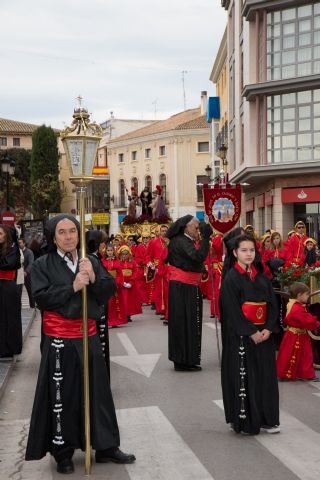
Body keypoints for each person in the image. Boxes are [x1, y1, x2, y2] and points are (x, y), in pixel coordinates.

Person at [25, 214, 135, 474]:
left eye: (72, 231)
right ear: (54, 237)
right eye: (62, 232)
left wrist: (94, 280)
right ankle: (63, 452)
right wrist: (73, 287)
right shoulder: (43, 265)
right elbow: (41, 297)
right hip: (60, 341)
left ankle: (106, 446)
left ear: (78, 234)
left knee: (98, 393)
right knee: (64, 395)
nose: (68, 236)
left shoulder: (90, 261)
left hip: (88, 337)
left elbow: (109, 288)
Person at [220, 234, 280, 435]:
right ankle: (246, 422)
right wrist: (251, 331)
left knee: (265, 377)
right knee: (247, 378)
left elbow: (273, 305)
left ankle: (268, 419)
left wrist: (268, 328)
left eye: (252, 250)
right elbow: (231, 310)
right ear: (235, 253)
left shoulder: (262, 277)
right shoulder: (231, 278)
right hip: (242, 336)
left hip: (264, 335)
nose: (248, 254)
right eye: (244, 250)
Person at [166, 215, 212, 371]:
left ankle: (187, 359)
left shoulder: (184, 240)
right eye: (196, 227)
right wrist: (206, 238)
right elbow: (198, 257)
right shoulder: (181, 241)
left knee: (189, 324)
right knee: (183, 324)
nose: (198, 230)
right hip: (183, 287)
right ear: (186, 227)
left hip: (187, 286)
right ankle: (183, 360)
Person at [276, 282, 320, 381]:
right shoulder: (297, 308)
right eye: (306, 295)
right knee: (297, 355)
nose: (308, 297)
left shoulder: (293, 304)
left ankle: (304, 374)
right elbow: (307, 320)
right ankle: (287, 374)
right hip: (296, 336)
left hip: (295, 334)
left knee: (300, 355)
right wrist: (316, 322)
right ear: (299, 295)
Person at [0, 224, 22, 359]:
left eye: (1, 233)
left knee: (9, 318)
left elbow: (9, 264)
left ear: (7, 235)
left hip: (8, 287)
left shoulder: (13, 249)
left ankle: (10, 347)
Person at [18, 238, 35, 308]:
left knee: (30, 291)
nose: (19, 244)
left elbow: (31, 263)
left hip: (27, 275)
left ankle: (32, 306)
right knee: (18, 292)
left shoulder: (29, 252)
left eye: (20, 243)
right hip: (19, 274)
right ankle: (19, 307)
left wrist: (26, 271)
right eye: (18, 243)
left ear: (24, 243)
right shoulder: (16, 252)